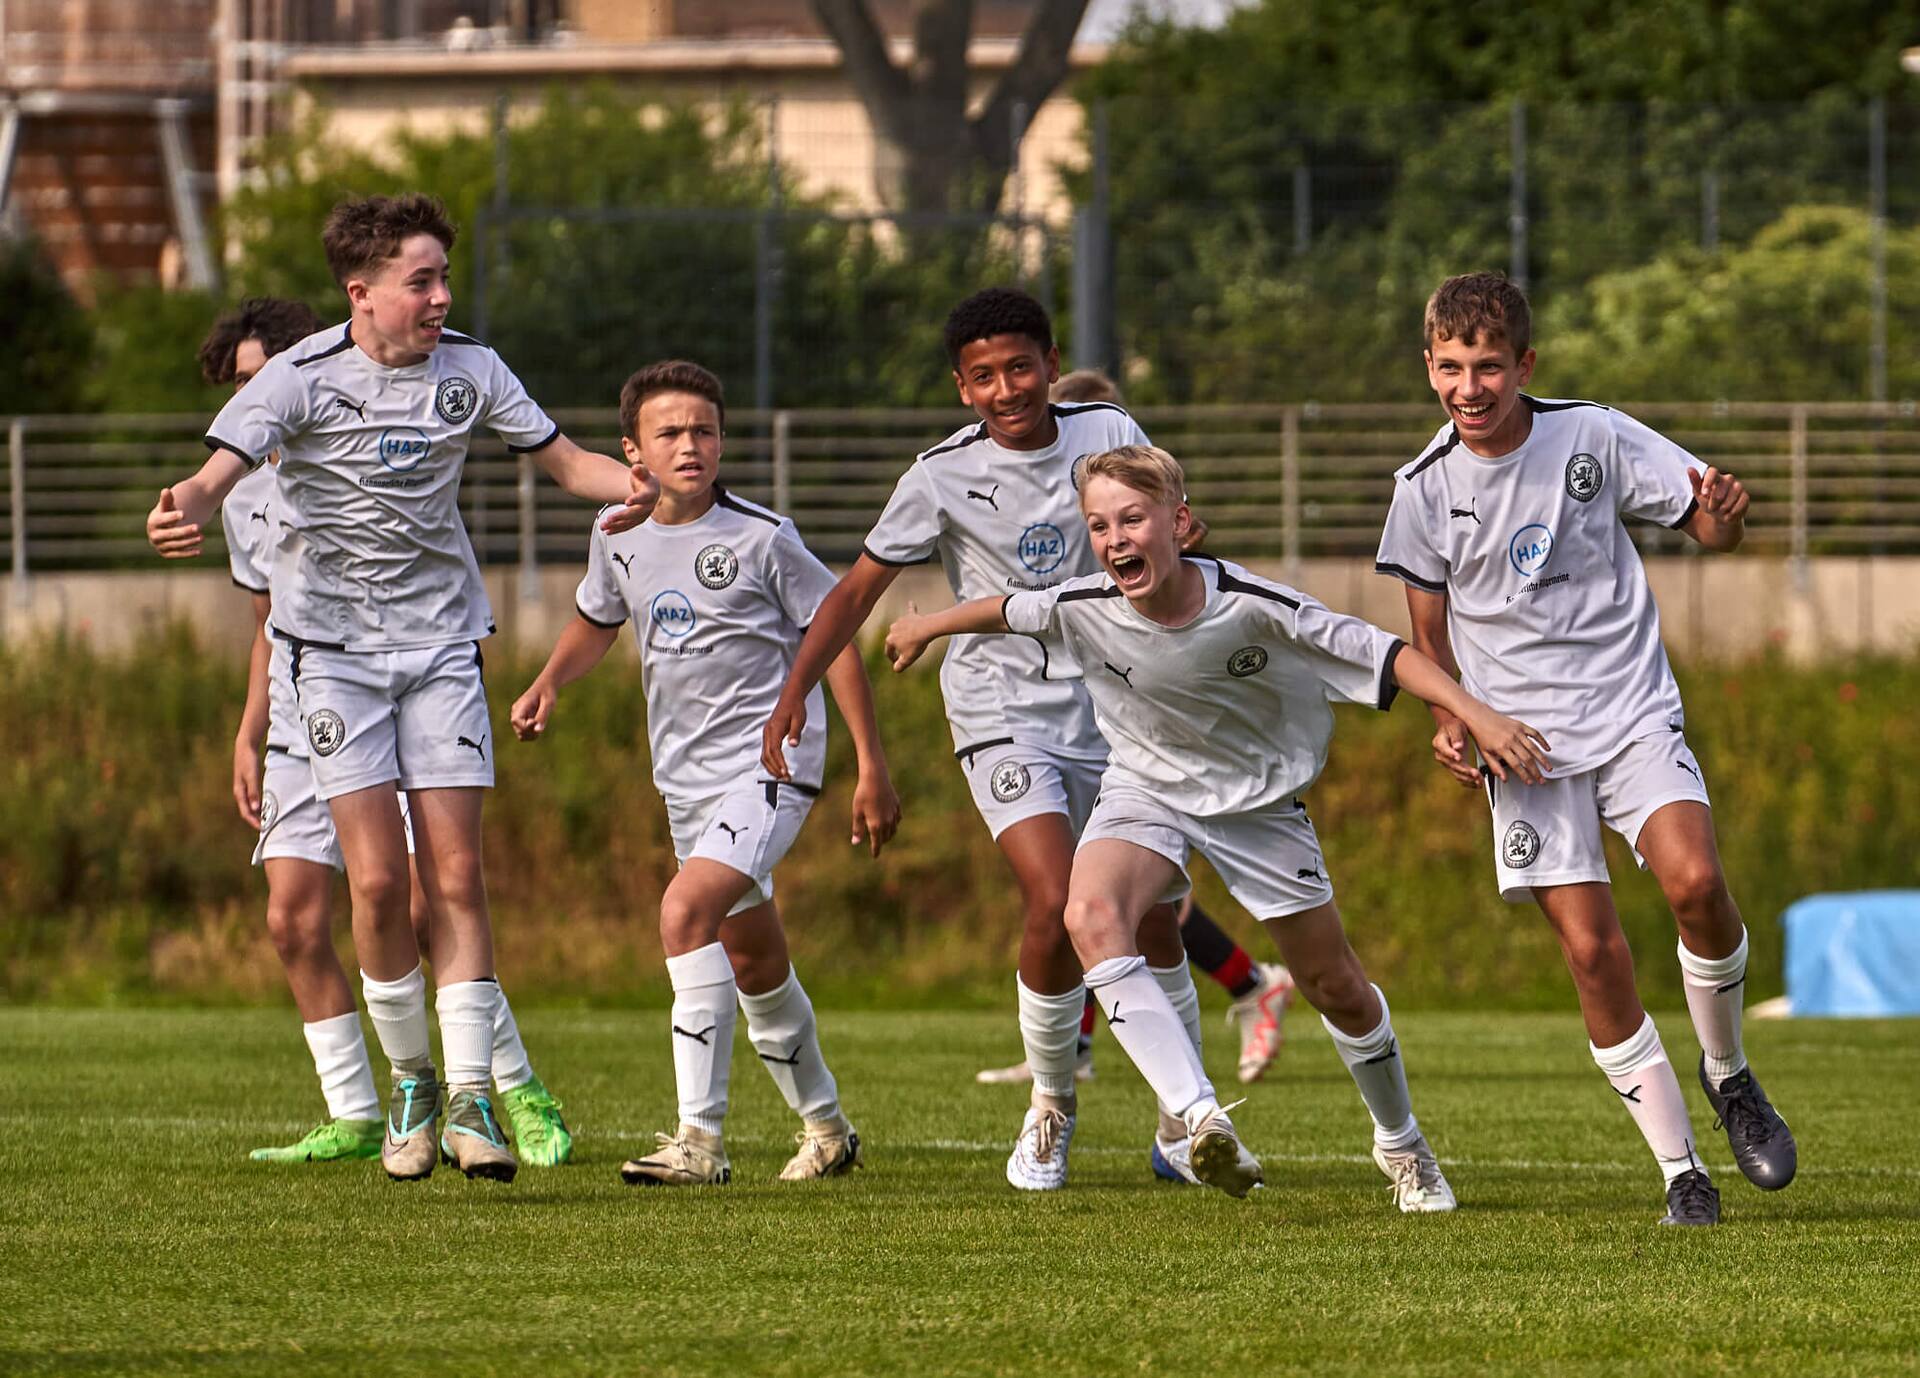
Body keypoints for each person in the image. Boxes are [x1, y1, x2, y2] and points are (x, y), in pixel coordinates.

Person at [145, 194, 655, 1183]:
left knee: (455, 879)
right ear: (361, 292)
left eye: (442, 278)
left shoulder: (472, 367)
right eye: (420, 280)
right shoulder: (297, 378)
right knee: (375, 884)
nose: (439, 297)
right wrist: (185, 509)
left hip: (440, 648)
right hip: (331, 656)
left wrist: (630, 483)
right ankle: (410, 1082)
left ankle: (471, 1101)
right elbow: (213, 477)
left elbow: (564, 461)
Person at [885, 443, 1547, 1203]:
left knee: (1336, 984)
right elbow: (1005, 609)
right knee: (1088, 912)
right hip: (1144, 788)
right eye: (1099, 527)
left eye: (1133, 519)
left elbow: (1388, 655)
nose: (1116, 540)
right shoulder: (1082, 605)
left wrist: (1477, 716)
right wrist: (924, 626)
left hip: (1257, 804)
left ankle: (1403, 1146)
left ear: (1181, 523)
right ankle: (1202, 1121)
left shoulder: (1253, 606)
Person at [1374, 271, 1797, 1226]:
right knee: (1594, 953)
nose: (1469, 387)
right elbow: (1428, 639)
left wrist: (1725, 518)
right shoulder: (1422, 489)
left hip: (1631, 711)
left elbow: (1709, 525)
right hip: (1525, 750)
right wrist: (1457, 726)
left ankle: (1729, 1073)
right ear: (1429, 369)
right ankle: (1679, 1170)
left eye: (1488, 366)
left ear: (1525, 364)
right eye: (1450, 368)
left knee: (1695, 883)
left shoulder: (1594, 434)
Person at [763, 288, 1210, 1190]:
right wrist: (792, 693)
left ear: (1050, 363)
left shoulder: (1107, 429)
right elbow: (853, 592)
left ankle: (1177, 1121)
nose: (1006, 389)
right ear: (961, 388)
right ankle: (1051, 1106)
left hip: (1119, 709)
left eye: (1019, 367)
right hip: (1001, 714)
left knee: (1156, 915)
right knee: (1055, 903)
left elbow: (1163, 536)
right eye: (983, 376)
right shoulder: (936, 476)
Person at [177, 297, 573, 1167]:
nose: (255, 397)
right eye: (241, 384)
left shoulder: (387, 421)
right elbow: (265, 627)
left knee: (430, 897)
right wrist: (250, 735)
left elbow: (561, 463)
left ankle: (509, 1087)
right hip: (306, 701)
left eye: (263, 378)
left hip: (407, 675)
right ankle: (363, 1109)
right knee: (293, 917)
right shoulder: (243, 491)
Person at [511, 360, 899, 1186]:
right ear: (634, 451)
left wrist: (870, 765)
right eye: (671, 433)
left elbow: (834, 642)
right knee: (753, 960)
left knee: (684, 911)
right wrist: (549, 680)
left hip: (773, 766)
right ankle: (828, 1130)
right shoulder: (615, 534)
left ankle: (699, 1142)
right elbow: (595, 624)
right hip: (684, 782)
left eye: (705, 431)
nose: (691, 446)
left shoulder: (764, 536)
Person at [971, 367, 1294, 1093]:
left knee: (1128, 896)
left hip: (1140, 732)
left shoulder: (1161, 532)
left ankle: (1243, 992)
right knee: (1103, 897)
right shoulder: (1082, 532)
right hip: (1076, 717)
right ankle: (1122, 1039)